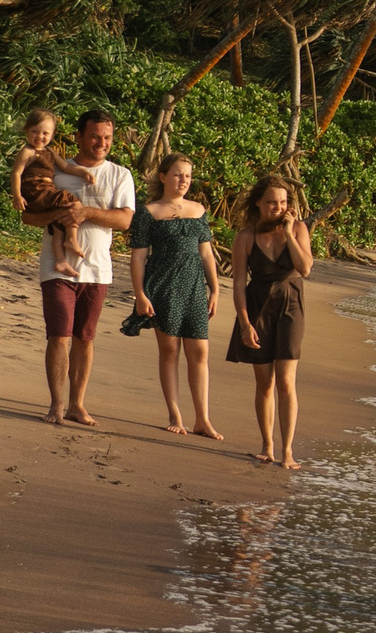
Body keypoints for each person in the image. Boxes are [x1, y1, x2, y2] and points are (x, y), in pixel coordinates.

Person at [18, 110, 135, 427]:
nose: (102, 143)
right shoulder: (55, 169)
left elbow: (125, 220)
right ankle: (56, 404)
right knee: (59, 335)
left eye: (108, 138)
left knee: (85, 337)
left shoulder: (119, 175)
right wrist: (59, 217)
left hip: (98, 268)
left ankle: (77, 405)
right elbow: (28, 217)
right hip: (57, 267)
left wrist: (84, 213)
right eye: (95, 136)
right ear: (80, 137)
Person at [126, 152, 223, 440]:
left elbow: (206, 252)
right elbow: (138, 258)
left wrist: (214, 288)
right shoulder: (148, 212)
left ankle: (202, 419)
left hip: (193, 286)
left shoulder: (198, 210)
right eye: (178, 174)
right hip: (163, 285)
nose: (184, 180)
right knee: (170, 351)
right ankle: (175, 414)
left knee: (200, 352)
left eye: (188, 176)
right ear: (163, 176)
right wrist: (140, 295)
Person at [227, 172, 313, 469]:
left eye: (283, 202)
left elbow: (304, 269)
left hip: (291, 306)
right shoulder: (246, 237)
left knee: (286, 382)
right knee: (264, 383)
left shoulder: (299, 228)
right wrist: (244, 323)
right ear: (258, 204)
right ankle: (267, 444)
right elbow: (239, 284)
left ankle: (288, 450)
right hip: (257, 306)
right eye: (271, 203)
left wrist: (288, 233)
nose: (277, 207)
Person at [10, 109, 98, 282]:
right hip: (36, 189)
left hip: (46, 188)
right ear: (27, 130)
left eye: (45, 133)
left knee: (59, 222)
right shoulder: (27, 151)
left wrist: (83, 172)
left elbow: (66, 167)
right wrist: (17, 196)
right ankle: (71, 239)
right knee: (72, 201)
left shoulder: (50, 151)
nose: (39, 136)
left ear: (52, 135)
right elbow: (16, 174)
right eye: (34, 131)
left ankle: (60, 260)